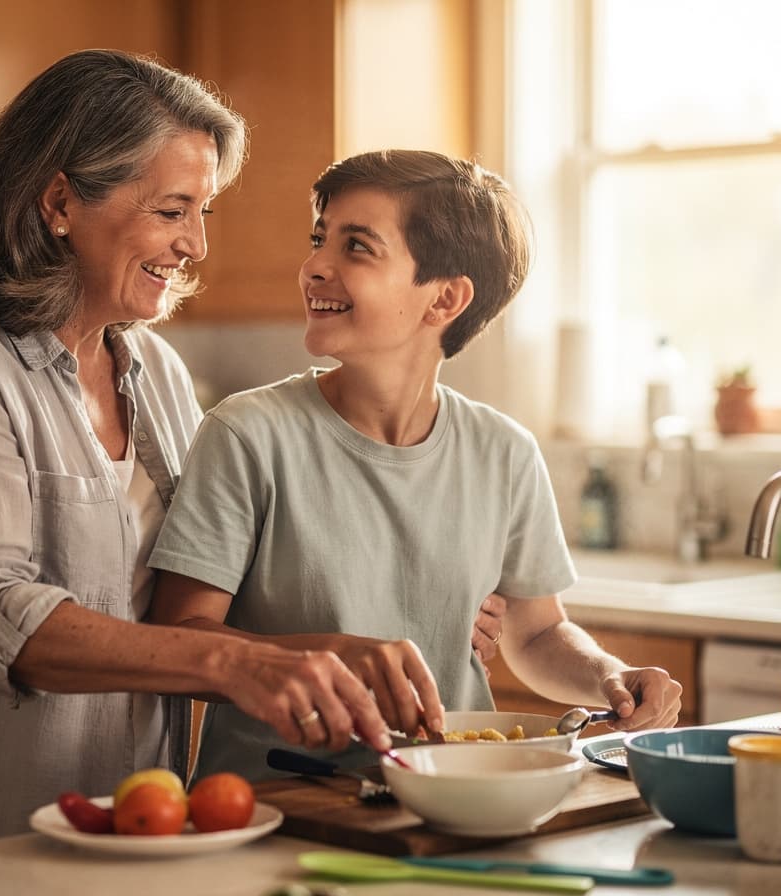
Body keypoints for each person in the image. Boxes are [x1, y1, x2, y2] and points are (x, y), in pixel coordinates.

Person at [0, 49, 436, 866]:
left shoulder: (159, 373)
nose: (197, 246)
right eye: (173, 211)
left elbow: (180, 598)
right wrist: (237, 662)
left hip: (118, 834)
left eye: (201, 212)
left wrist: (333, 645)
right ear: (61, 201)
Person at [148, 150, 683, 783]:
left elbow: (537, 636)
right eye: (320, 240)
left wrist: (608, 678)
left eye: (357, 247)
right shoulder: (247, 434)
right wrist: (322, 658)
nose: (315, 266)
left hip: (455, 798)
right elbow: (178, 638)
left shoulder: (504, 453)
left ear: (446, 298)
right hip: (280, 807)